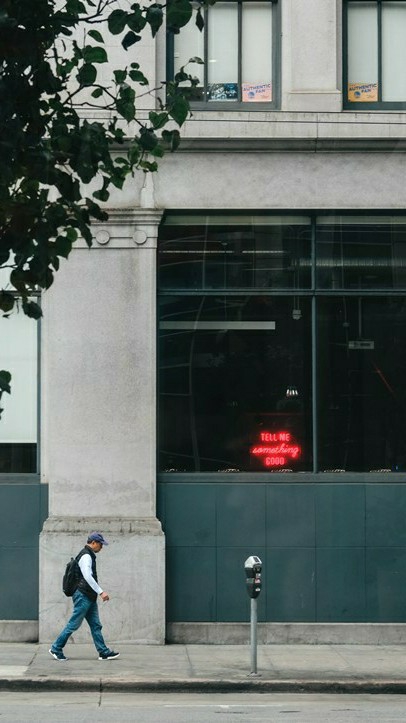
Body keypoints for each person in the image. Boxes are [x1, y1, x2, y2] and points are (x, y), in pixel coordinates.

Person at [49, 531, 119, 661]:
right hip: (83, 595)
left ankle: (103, 652)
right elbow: (87, 576)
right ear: (93, 542)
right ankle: (56, 648)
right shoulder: (86, 556)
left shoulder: (89, 555)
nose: (101, 547)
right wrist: (101, 592)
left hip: (88, 596)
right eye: (100, 544)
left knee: (96, 625)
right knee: (73, 624)